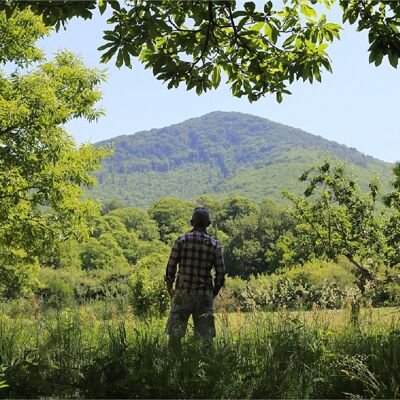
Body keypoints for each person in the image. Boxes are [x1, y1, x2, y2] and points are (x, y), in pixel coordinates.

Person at [164, 207, 225, 350]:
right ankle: (205, 365)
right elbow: (220, 275)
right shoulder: (214, 245)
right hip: (204, 295)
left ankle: (174, 364)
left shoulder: (181, 241)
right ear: (209, 224)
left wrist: (170, 289)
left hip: (182, 293)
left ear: (192, 222)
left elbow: (171, 268)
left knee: (175, 334)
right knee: (206, 338)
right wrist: (212, 294)